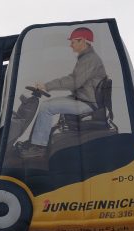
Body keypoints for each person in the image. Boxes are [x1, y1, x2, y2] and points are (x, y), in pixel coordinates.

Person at [17, 27, 107, 158]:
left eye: (73, 41)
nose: (71, 44)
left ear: (82, 41)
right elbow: (74, 79)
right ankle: (36, 142)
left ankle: (39, 148)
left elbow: (74, 81)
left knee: (46, 107)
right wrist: (47, 86)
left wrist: (47, 86)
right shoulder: (87, 58)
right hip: (83, 98)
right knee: (48, 105)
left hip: (88, 103)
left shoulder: (90, 59)